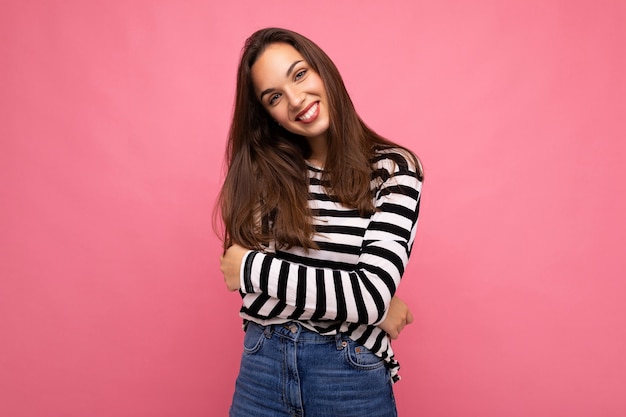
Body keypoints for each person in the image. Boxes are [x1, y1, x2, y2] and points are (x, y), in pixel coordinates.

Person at [217, 27, 424, 417]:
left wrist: (252, 267)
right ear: (268, 115)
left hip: (349, 376)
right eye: (274, 97)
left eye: (299, 74)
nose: (296, 100)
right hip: (263, 366)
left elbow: (242, 270)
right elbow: (250, 296)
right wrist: (374, 309)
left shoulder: (393, 170)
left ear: (323, 70)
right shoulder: (265, 171)